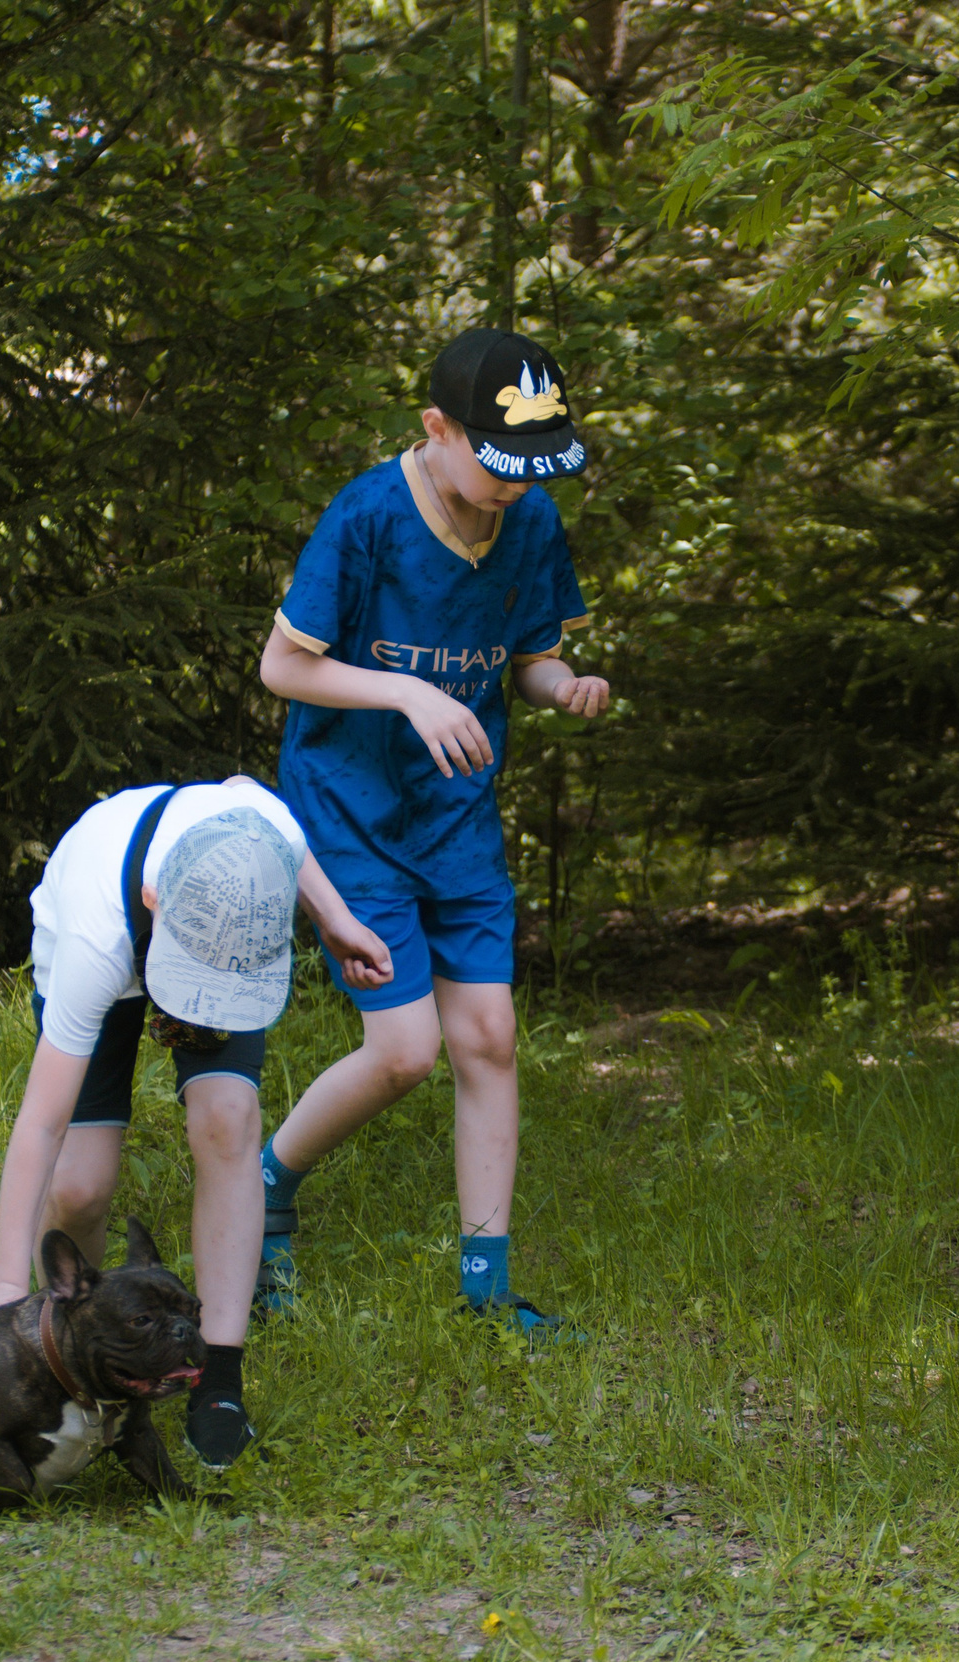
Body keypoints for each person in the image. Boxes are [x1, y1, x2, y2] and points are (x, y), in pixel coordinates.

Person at [254, 326, 610, 1337]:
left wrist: (561, 686)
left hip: (456, 819)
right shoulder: (366, 516)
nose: (515, 488)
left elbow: (529, 659)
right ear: (435, 428)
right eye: (498, 465)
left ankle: (487, 1292)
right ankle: (268, 1184)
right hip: (350, 815)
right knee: (405, 1051)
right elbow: (284, 667)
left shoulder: (528, 520)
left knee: (488, 1037)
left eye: (534, 470)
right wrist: (407, 694)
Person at [0, 776, 390, 1467]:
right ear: (155, 900)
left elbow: (273, 820)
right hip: (109, 938)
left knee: (228, 1118)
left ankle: (221, 1380)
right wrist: (4, 1284)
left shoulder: (257, 826)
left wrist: (332, 917)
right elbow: (40, 1124)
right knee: (82, 1184)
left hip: (226, 948)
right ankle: (76, 1347)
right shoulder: (94, 939)